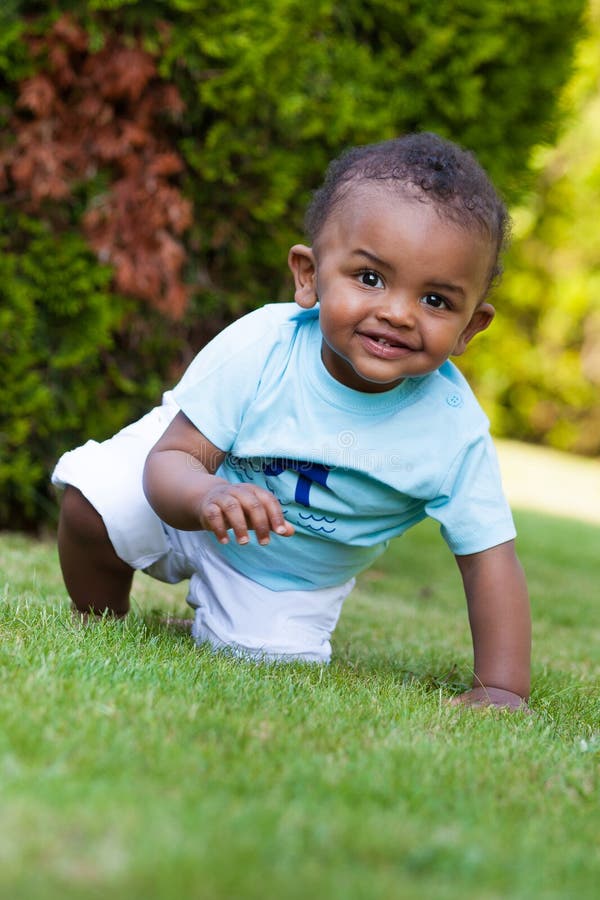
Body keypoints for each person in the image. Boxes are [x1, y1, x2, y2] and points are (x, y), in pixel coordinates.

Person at [53, 132, 531, 710]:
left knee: (262, 660)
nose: (398, 313)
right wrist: (207, 497)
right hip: (187, 494)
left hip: (287, 575)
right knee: (95, 501)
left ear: (470, 328)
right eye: (371, 278)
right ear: (309, 275)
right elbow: (172, 459)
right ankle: (98, 618)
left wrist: (503, 687)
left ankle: (230, 616)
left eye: (436, 301)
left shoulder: (452, 434)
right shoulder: (263, 346)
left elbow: (489, 562)